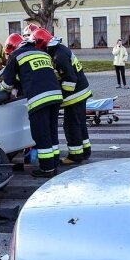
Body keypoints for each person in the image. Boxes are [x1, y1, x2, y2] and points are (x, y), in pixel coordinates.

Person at [0, 31, 62, 178]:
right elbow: (37, 74)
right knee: (52, 131)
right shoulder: (42, 53)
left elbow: (7, 84)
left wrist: (1, 90)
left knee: (41, 134)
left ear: (11, 49)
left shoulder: (16, 56)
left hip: (39, 99)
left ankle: (47, 169)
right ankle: (54, 163)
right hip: (55, 95)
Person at [36, 28, 92, 165]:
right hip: (81, 91)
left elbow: (70, 80)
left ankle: (75, 156)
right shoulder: (60, 49)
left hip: (74, 95)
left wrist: (60, 97)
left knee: (71, 125)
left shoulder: (58, 56)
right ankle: (85, 151)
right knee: (80, 123)